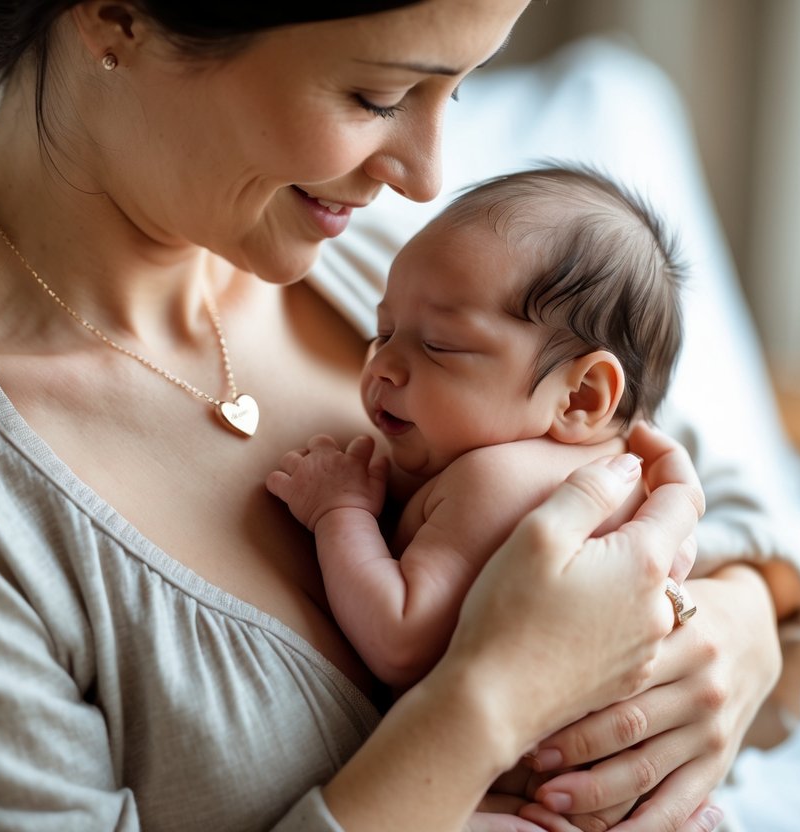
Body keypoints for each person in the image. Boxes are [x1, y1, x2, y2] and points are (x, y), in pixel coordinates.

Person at [0, 2, 800, 830]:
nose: (428, 175)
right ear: (117, 17)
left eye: (459, 90)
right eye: (378, 96)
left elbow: (728, 515)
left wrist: (738, 637)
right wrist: (491, 699)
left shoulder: (390, 280)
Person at [267, 166, 686, 692]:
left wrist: (339, 512)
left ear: (581, 396)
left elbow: (400, 641)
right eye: (385, 331)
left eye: (439, 344)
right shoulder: (626, 463)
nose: (383, 365)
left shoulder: (494, 481)